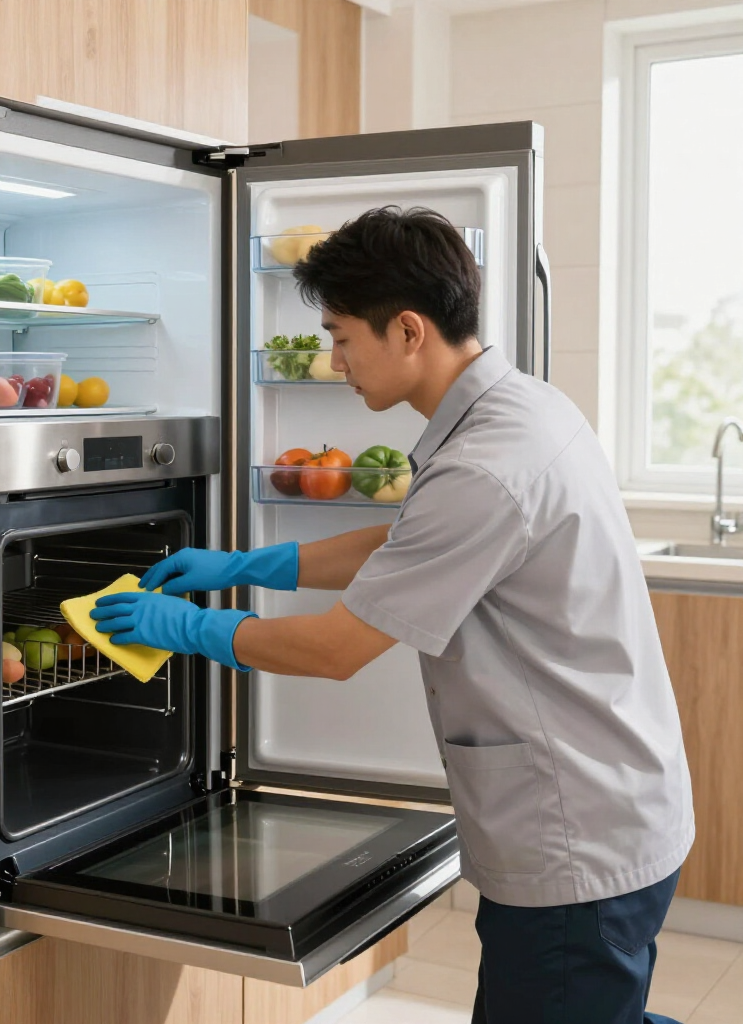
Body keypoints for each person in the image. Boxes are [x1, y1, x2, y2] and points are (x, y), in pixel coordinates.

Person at [91, 206, 694, 1024]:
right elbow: (410, 540)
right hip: (609, 801)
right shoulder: (518, 411)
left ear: (408, 330)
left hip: (576, 834)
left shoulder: (487, 463)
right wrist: (244, 566)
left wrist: (189, 629)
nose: (335, 361)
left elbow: (338, 650)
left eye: (342, 337)